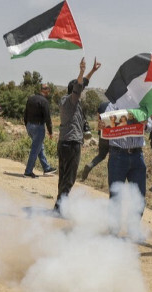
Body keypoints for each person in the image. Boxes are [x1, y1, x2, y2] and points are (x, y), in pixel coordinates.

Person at [54, 57, 101, 210]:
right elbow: (79, 86)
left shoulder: (64, 100)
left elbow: (82, 84)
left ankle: (59, 204)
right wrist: (81, 71)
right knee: (69, 177)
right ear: (74, 90)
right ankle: (61, 206)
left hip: (64, 142)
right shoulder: (72, 101)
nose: (81, 91)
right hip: (72, 143)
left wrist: (92, 71)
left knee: (64, 175)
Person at [23, 83, 56, 178]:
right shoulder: (44, 101)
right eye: (48, 89)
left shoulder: (31, 98)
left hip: (29, 126)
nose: (49, 91)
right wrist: (50, 132)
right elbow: (47, 118)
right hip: (38, 127)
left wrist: (27, 125)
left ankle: (46, 168)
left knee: (39, 147)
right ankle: (28, 172)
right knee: (35, 149)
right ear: (46, 90)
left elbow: (25, 113)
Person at [80, 101, 110, 182]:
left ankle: (90, 165)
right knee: (113, 157)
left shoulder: (102, 105)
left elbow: (98, 119)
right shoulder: (117, 106)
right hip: (113, 136)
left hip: (102, 135)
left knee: (101, 155)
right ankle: (111, 178)